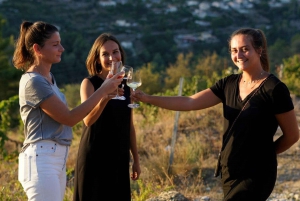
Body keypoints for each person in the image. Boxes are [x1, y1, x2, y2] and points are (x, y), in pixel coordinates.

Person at [131, 28, 299, 201]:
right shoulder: (228, 84)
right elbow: (189, 102)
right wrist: (148, 98)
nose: (239, 55)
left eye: (245, 49)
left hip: (257, 174)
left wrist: (264, 155)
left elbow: (292, 135)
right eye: (234, 51)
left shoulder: (275, 89)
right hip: (230, 171)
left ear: (259, 50)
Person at [12, 21, 124, 201]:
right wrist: (103, 89)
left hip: (55, 159)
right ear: (37, 49)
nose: (62, 48)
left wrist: (104, 96)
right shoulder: (34, 82)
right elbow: (69, 118)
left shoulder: (49, 79)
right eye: (55, 44)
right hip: (42, 159)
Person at [73, 33, 141, 201]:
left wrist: (136, 160)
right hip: (94, 156)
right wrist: (104, 97)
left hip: (118, 156)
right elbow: (87, 121)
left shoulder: (127, 85)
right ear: (97, 59)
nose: (112, 57)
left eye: (115, 51)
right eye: (105, 54)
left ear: (121, 54)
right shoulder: (89, 84)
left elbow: (129, 125)